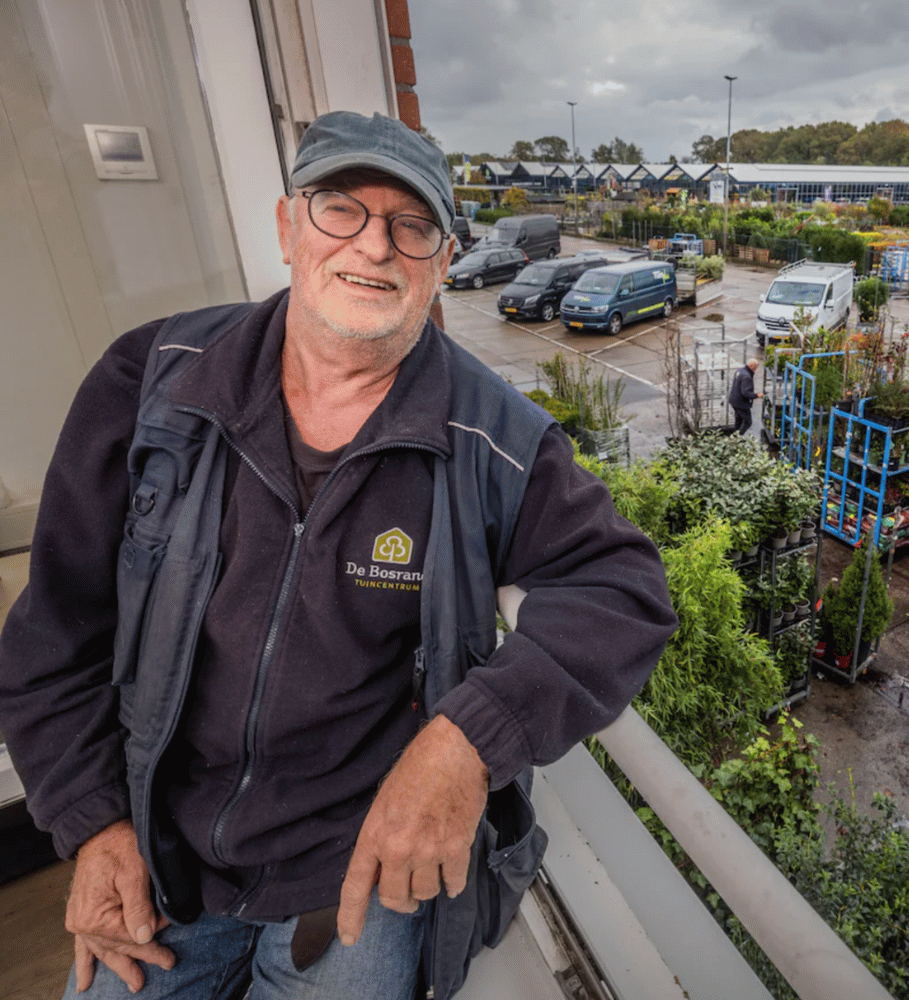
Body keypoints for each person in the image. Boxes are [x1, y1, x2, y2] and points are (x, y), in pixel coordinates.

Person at [0, 111, 677, 999]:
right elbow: (53, 637)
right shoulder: (151, 384)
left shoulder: (493, 436)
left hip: (357, 872)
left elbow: (624, 591)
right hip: (161, 849)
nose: (375, 246)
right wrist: (92, 826)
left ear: (441, 263)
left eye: (412, 225)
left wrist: (466, 741)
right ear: (289, 227)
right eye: (341, 209)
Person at [728, 356, 762, 435]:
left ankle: (734, 437)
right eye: (755, 367)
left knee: (738, 420)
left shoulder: (739, 371)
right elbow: (745, 392)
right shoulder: (747, 376)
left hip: (733, 400)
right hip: (741, 403)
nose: (755, 370)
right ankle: (737, 438)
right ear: (751, 366)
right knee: (747, 421)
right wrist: (757, 395)